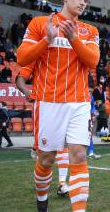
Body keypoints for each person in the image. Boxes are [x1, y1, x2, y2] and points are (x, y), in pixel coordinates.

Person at [17, 0, 100, 212]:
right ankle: (42, 208)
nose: (82, 3)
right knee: (47, 160)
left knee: (78, 154)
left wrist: (74, 39)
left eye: (86, 0)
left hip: (78, 102)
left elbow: (92, 62)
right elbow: (22, 59)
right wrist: (46, 39)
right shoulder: (40, 24)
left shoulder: (89, 31)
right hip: (49, 102)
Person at [15, 64, 71, 196]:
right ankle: (41, 176)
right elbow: (20, 78)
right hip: (44, 105)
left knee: (64, 146)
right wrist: (27, 91)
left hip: (66, 104)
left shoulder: (69, 53)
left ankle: (62, 183)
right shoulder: (39, 53)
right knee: (44, 151)